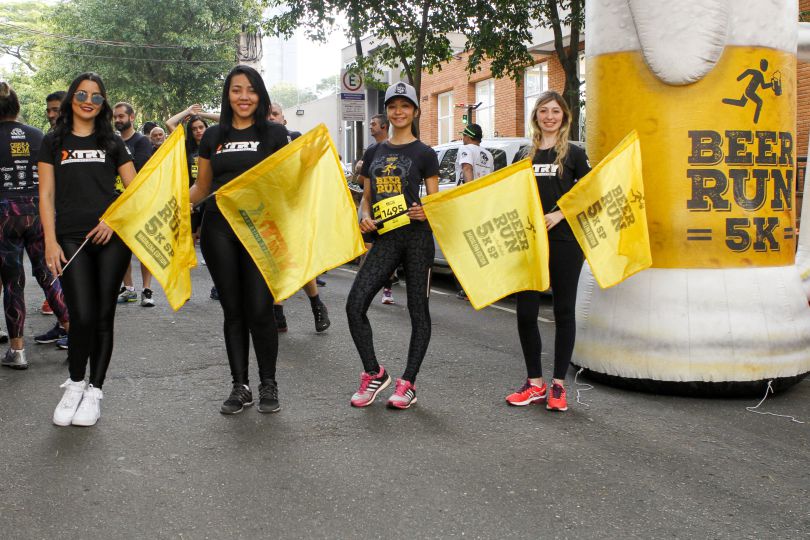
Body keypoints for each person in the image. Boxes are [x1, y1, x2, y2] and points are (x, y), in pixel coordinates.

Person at [189, 65, 289, 415]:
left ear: (260, 95)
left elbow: (286, 185)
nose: (244, 96)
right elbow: (202, 188)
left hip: (261, 229)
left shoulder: (275, 134)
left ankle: (268, 383)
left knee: (260, 309)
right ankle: (240, 386)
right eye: (236, 90)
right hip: (218, 229)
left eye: (251, 89)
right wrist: (170, 205)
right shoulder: (212, 136)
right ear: (227, 95)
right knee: (233, 311)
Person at [39, 72, 137, 426]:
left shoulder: (112, 141)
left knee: (103, 315)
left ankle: (95, 390)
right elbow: (46, 195)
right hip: (70, 237)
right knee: (81, 315)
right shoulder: (53, 140)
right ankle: (75, 383)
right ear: (71, 98)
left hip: (112, 238)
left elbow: (136, 189)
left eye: (96, 97)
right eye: (82, 94)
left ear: (103, 103)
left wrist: (113, 219)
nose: (88, 102)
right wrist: (49, 241)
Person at [347, 82, 439, 409]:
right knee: (355, 304)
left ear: (415, 111)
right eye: (393, 106)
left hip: (417, 238)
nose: (398, 112)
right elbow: (366, 199)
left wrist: (426, 210)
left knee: (418, 310)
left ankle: (408, 383)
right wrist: (365, 217)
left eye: (405, 106)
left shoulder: (425, 153)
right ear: (387, 112)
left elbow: (436, 202)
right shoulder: (373, 153)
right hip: (386, 237)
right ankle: (374, 373)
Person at [505, 90, 590, 413]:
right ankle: (534, 383)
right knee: (526, 313)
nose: (549, 116)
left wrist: (560, 213)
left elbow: (590, 191)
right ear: (536, 116)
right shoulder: (523, 155)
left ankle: (557, 386)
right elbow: (510, 196)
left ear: (564, 116)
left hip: (566, 241)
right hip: (529, 242)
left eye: (555, 111)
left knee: (563, 312)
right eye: (543, 111)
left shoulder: (574, 154)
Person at [0, 82, 70, 369]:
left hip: (5, 213)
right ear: (17, 107)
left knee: (12, 283)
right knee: (49, 275)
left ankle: (17, 351)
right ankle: (75, 336)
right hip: (39, 211)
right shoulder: (38, 135)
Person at [267, 101, 330, 333]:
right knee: (274, 260)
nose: (271, 118)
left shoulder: (294, 138)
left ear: (283, 118)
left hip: (294, 208)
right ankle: (277, 311)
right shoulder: (260, 142)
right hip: (269, 208)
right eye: (267, 115)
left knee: (297, 259)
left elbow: (308, 168)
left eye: (275, 114)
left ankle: (316, 304)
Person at [166, 104, 221, 298]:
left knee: (212, 246)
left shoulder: (216, 144)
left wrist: (201, 114)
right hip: (191, 200)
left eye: (201, 127)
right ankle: (182, 285)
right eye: (195, 128)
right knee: (185, 244)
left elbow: (225, 119)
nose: (198, 131)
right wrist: (189, 112)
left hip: (211, 199)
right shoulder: (185, 146)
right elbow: (170, 123)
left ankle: (219, 285)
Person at [112, 102, 156, 307]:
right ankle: (128, 288)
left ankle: (147, 290)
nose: (117, 120)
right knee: (120, 249)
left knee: (143, 247)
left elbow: (140, 170)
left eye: (121, 116)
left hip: (139, 202)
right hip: (117, 201)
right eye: (115, 117)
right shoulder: (112, 142)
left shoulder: (141, 141)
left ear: (131, 117)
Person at [453, 123, 493, 300]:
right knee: (478, 245)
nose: (462, 138)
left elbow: (467, 168)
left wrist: (468, 195)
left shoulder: (465, 149)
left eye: (463, 135)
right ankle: (481, 285)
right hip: (482, 202)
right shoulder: (488, 154)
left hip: (468, 203)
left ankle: (469, 288)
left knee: (464, 245)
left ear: (468, 136)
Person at [41, 90, 67, 317]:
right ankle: (62, 320)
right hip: (57, 211)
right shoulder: (50, 139)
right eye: (48, 110)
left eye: (55, 110)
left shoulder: (87, 137)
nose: (50, 115)